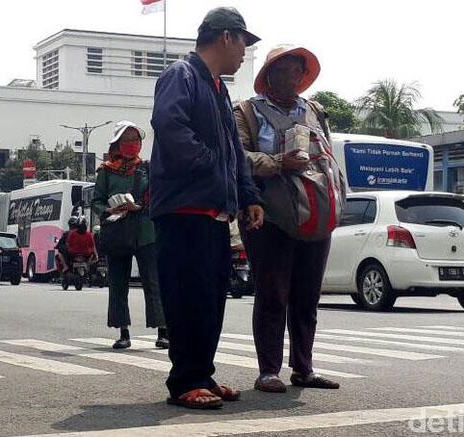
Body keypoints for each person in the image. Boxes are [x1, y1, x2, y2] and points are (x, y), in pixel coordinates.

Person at [150, 7, 264, 409]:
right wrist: (212, 169)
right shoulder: (180, 76)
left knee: (211, 297)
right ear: (226, 37)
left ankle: (203, 373)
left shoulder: (217, 87)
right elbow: (170, 127)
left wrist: (248, 195)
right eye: (243, 44)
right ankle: (184, 381)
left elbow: (234, 150)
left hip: (214, 211)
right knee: (187, 297)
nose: (244, 54)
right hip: (184, 210)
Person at [233, 45, 345, 393]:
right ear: (270, 76)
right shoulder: (247, 112)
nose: (294, 77)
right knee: (272, 293)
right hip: (269, 215)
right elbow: (239, 158)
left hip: (315, 214)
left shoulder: (314, 111)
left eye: (299, 70)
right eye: (286, 70)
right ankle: (269, 369)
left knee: (307, 295)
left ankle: (304, 367)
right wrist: (279, 162)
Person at [91, 120, 168, 350]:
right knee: (118, 284)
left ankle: (163, 332)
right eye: (127, 140)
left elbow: (158, 196)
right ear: (117, 144)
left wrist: (140, 207)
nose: (132, 145)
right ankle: (123, 332)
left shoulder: (147, 167)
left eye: (136, 140)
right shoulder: (105, 171)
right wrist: (108, 209)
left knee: (153, 282)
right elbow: (96, 201)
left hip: (146, 232)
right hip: (117, 231)